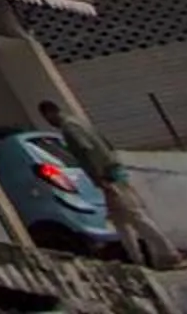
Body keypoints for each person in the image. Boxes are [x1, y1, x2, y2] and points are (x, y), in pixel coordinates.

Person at [39, 98, 171, 267]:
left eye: (46, 118)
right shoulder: (79, 122)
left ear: (50, 113)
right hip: (114, 173)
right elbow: (106, 143)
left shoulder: (69, 128)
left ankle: (168, 253)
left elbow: (87, 151)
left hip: (108, 178)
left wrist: (101, 180)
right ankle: (136, 260)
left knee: (135, 216)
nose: (48, 122)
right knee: (121, 221)